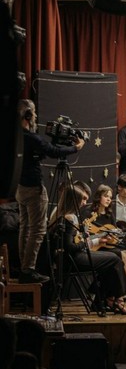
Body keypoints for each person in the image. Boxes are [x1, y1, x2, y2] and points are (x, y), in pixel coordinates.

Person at [15, 99, 84, 283]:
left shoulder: (16, 136)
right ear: (28, 115)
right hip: (33, 189)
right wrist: (76, 147)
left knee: (25, 227)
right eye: (34, 113)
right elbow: (53, 151)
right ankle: (28, 270)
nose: (36, 116)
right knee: (37, 230)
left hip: (20, 188)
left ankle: (23, 267)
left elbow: (42, 151)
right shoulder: (31, 137)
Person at [48, 185, 126, 314]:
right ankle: (118, 298)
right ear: (74, 200)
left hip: (72, 257)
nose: (84, 203)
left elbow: (73, 242)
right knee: (114, 259)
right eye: (82, 199)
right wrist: (86, 243)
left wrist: (88, 240)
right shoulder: (69, 218)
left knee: (110, 263)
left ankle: (102, 301)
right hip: (74, 259)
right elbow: (70, 247)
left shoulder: (65, 215)